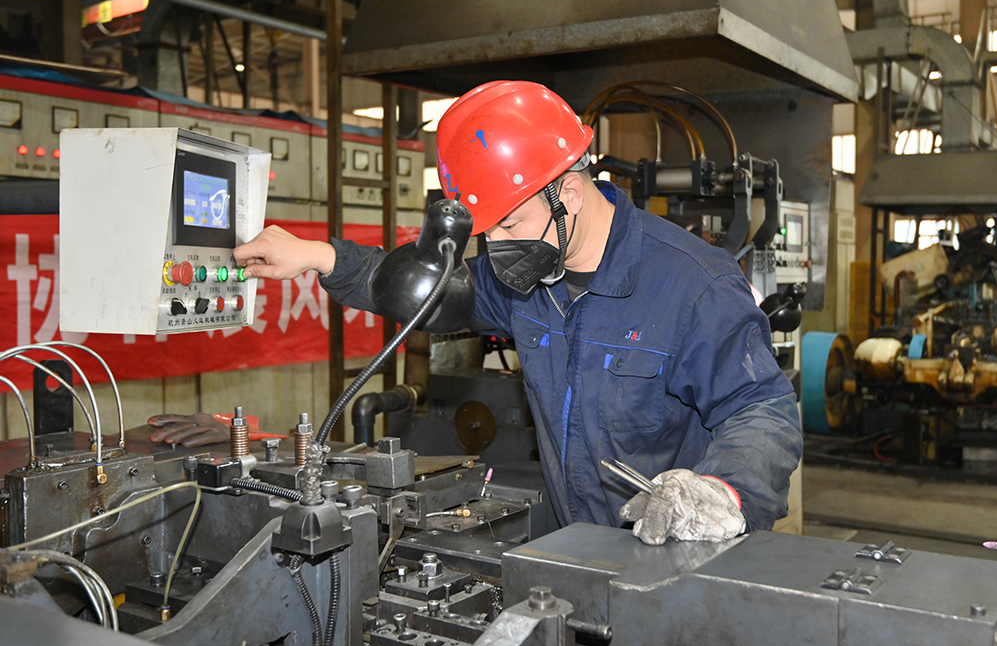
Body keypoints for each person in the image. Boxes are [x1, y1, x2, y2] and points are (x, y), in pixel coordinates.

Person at [229, 80, 802, 545]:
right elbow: (421, 290)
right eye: (487, 231)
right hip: (573, 548)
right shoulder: (527, 278)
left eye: (509, 223)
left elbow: (763, 409)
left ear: (568, 194)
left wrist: (722, 492)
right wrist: (319, 256)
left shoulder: (692, 284)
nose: (497, 247)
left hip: (674, 555)